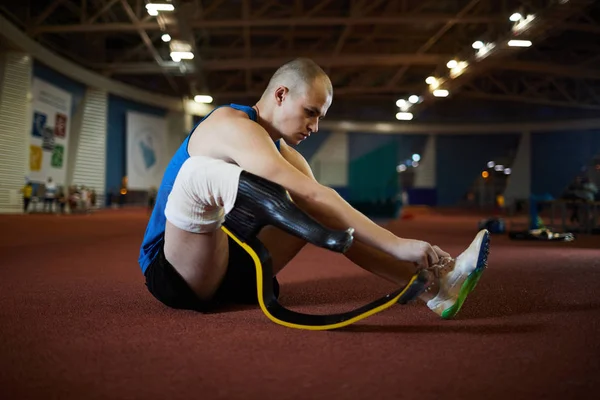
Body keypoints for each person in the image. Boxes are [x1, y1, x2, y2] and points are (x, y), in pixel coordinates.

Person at [139, 58, 490, 318]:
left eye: (320, 116)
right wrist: (397, 243)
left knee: (322, 211)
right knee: (297, 193)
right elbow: (313, 193)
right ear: (280, 95)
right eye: (310, 112)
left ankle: (438, 288)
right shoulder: (230, 125)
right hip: (173, 272)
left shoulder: (289, 156)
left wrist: (410, 257)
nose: (315, 127)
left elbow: (329, 211)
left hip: (233, 266)